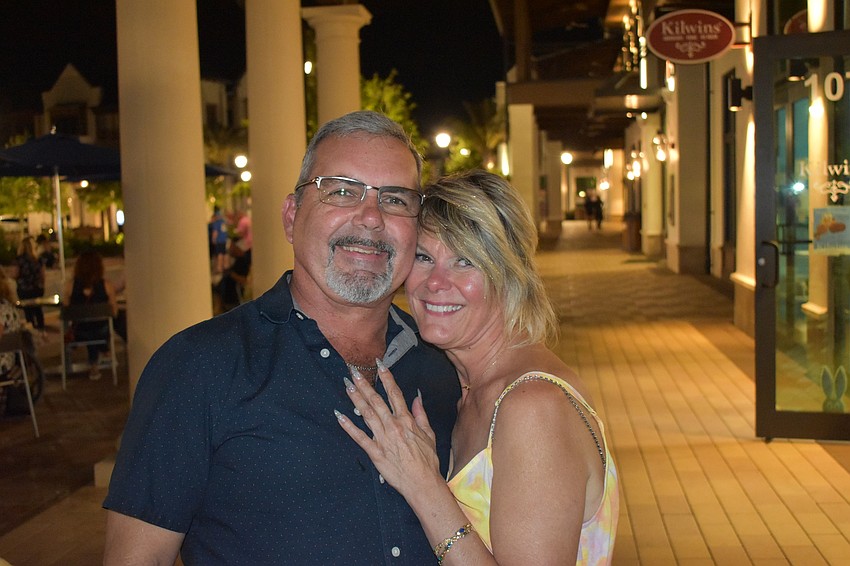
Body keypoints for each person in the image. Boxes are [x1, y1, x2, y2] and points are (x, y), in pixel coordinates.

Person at [103, 110, 460, 565]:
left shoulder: (442, 367)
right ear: (291, 217)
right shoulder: (198, 367)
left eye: (394, 199)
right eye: (342, 191)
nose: (371, 218)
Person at [337, 170, 619, 565]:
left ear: (509, 275)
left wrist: (424, 486)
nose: (435, 282)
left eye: (464, 262)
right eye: (424, 257)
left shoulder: (531, 407)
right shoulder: (467, 387)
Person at [62, 249, 119, 380]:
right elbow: (114, 312)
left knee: (87, 326)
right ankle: (102, 353)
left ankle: (95, 362)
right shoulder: (106, 286)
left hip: (79, 333)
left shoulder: (70, 286)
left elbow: (66, 311)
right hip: (101, 332)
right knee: (97, 327)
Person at [13, 237, 45, 331]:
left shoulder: (19, 260)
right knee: (38, 309)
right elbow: (42, 275)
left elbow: (15, 274)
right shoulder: (38, 260)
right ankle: (41, 329)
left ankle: (31, 331)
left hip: (24, 289)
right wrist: (42, 285)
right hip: (36, 288)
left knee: (28, 311)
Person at [209, 206, 229, 274]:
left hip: (219, 240)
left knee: (219, 254)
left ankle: (219, 267)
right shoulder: (223, 221)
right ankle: (225, 266)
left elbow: (215, 232)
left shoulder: (216, 223)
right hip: (224, 240)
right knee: (224, 253)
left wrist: (213, 239)